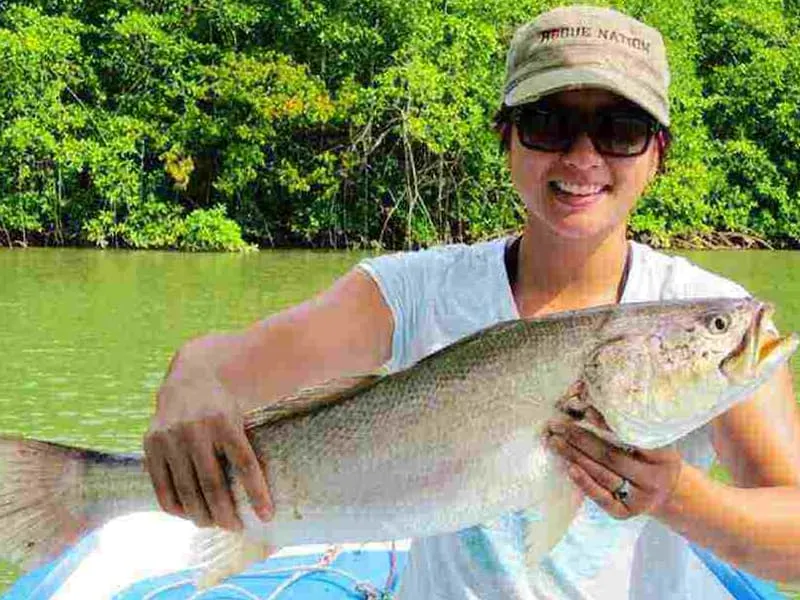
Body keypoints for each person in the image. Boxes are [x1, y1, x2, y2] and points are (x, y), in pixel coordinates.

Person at [144, 5, 800, 598]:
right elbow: (222, 368)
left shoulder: (704, 310)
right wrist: (193, 372)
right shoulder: (409, 292)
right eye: (549, 123)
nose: (582, 156)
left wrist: (677, 495)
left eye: (619, 129)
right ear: (506, 139)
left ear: (657, 153)